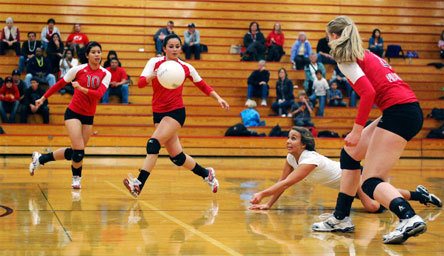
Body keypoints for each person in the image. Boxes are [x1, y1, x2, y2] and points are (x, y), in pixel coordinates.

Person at [311, 16, 427, 245]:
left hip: (399, 112)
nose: (327, 40)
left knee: (371, 182)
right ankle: (341, 217)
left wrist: (356, 130)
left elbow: (368, 93)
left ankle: (408, 217)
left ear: (334, 37)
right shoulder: (366, 53)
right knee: (350, 154)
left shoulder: (344, 59)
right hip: (404, 109)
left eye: (327, 36)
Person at [122, 34, 229, 197]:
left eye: (177, 46)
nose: (174, 49)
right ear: (164, 48)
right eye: (170, 46)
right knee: (177, 157)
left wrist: (219, 98)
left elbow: (203, 85)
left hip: (176, 112)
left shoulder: (186, 67)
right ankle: (207, 174)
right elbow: (141, 83)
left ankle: (139, 184)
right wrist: (154, 74)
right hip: (158, 113)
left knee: (153, 144)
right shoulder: (154, 62)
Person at [250, 127, 442, 211]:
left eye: (293, 138)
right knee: (380, 196)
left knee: (374, 206)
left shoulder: (310, 160)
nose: (288, 141)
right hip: (346, 184)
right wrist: (268, 204)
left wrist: (261, 194)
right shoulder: (291, 158)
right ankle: (421, 196)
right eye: (288, 137)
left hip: (353, 177)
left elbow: (288, 182)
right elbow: (281, 184)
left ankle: (402, 202)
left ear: (303, 144)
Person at [29, 41, 111, 190]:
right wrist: (43, 98)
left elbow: (98, 95)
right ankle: (76, 178)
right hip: (73, 113)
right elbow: (59, 84)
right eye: (93, 52)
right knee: (79, 151)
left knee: (76, 151)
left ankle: (41, 158)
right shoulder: (78, 70)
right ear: (87, 55)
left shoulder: (106, 73)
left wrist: (81, 88)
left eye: (99, 52)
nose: (97, 54)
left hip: (89, 116)